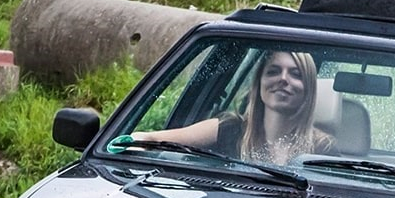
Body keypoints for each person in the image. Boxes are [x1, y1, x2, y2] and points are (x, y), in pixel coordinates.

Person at [133, 50, 334, 164]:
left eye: (296, 74)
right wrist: (130, 142)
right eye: (273, 71)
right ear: (259, 83)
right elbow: (151, 139)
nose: (283, 79)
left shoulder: (323, 149)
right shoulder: (227, 128)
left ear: (309, 89)